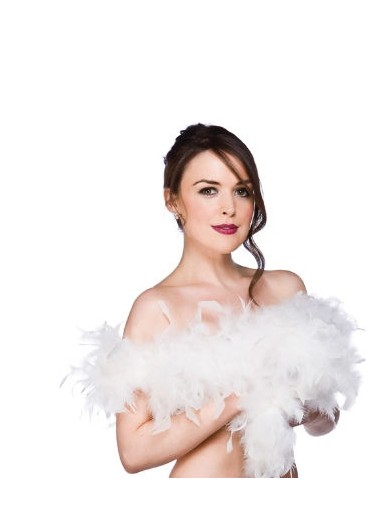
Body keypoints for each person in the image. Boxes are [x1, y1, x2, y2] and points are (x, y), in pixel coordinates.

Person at [71, 123, 361, 478]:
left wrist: (301, 404)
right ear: (173, 200)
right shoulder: (156, 308)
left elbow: (326, 419)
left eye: (242, 191)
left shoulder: (285, 289)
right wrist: (238, 396)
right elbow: (133, 452)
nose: (229, 208)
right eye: (208, 190)